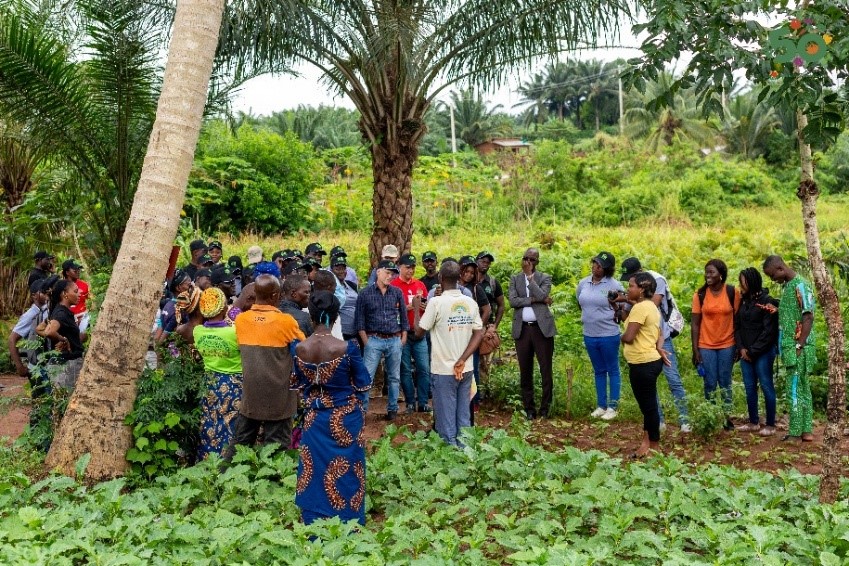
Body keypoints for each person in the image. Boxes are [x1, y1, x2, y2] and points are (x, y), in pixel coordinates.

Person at [290, 291, 372, 525]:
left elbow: (296, 383)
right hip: (345, 419)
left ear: (311, 316)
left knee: (313, 470)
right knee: (347, 470)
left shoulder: (299, 348)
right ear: (336, 317)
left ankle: (314, 521)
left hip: (315, 419)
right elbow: (363, 383)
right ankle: (348, 523)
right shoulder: (347, 348)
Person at [229, 274, 306, 455]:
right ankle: (272, 481)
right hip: (279, 395)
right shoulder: (286, 322)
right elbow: (304, 349)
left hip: (251, 394)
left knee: (240, 443)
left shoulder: (241, 320)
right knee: (276, 449)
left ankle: (225, 478)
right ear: (274, 296)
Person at [412, 261, 483, 446]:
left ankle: (450, 459)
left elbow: (419, 333)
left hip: (443, 371)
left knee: (445, 421)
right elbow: (479, 333)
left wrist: (417, 308)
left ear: (440, 279)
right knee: (463, 417)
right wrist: (463, 359)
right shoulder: (470, 303)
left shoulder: (436, 303)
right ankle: (466, 456)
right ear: (460, 278)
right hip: (465, 370)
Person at [619, 257, 691, 432]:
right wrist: (618, 305)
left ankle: (685, 420)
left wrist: (628, 300)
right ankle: (658, 421)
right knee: (651, 385)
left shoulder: (656, 280)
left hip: (661, 336)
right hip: (644, 340)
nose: (630, 284)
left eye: (632, 281)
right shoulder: (634, 292)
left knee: (673, 379)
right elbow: (627, 318)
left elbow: (651, 304)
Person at [763, 255, 816, 442]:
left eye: (772, 275)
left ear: (780, 268)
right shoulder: (788, 287)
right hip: (793, 345)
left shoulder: (800, 285)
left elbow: (808, 316)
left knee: (794, 389)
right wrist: (778, 311)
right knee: (803, 388)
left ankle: (794, 433)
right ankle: (806, 431)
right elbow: (794, 314)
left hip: (797, 347)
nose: (772, 280)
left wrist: (800, 343)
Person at [621, 272, 669, 459]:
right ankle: (646, 443)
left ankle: (654, 447)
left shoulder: (641, 308)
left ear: (641, 289)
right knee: (647, 407)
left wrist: (621, 337)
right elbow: (659, 333)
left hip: (643, 363)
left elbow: (629, 336)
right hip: (646, 361)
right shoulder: (650, 306)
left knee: (648, 407)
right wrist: (658, 346)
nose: (628, 288)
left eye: (632, 285)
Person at [193, 287, 243, 459]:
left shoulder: (198, 332)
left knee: (209, 423)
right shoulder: (234, 332)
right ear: (223, 308)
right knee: (231, 424)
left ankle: (207, 460)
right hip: (233, 385)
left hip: (210, 383)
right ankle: (229, 462)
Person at [691, 258, 740, 430]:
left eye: (711, 272)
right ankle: (711, 417)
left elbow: (738, 320)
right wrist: (695, 349)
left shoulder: (733, 292)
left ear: (721, 274)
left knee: (725, 381)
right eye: (706, 272)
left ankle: (727, 418)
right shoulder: (700, 295)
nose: (707, 275)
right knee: (710, 383)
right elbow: (695, 323)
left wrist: (739, 346)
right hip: (706, 344)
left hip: (728, 343)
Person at [355, 259, 407, 418]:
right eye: (387, 272)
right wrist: (367, 342)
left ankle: (392, 410)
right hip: (374, 339)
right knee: (367, 377)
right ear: (378, 272)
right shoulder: (365, 293)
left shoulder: (397, 292)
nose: (390, 276)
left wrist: (402, 339)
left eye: (392, 274)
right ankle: (362, 411)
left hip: (393, 339)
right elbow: (359, 321)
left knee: (394, 377)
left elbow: (403, 317)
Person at [508, 248, 556, 419]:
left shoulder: (544, 277)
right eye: (525, 258)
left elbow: (543, 294)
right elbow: (513, 301)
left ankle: (545, 409)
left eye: (532, 259)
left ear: (537, 262)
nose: (528, 262)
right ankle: (529, 409)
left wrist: (530, 278)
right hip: (522, 329)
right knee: (525, 370)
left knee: (545, 369)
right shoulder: (514, 278)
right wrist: (535, 300)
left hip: (541, 329)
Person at [576, 252, 623, 420]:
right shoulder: (583, 283)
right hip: (589, 333)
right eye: (594, 263)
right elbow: (580, 302)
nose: (595, 267)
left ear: (607, 269)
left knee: (612, 369)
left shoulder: (613, 285)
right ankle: (601, 405)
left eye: (600, 265)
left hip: (608, 334)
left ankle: (613, 406)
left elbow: (624, 305)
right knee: (599, 370)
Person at [734, 267, 779, 436]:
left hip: (763, 352)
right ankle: (753, 422)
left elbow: (769, 332)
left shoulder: (767, 301)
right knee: (749, 387)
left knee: (766, 386)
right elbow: (737, 326)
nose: (740, 285)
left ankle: (770, 424)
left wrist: (752, 351)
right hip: (745, 352)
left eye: (743, 282)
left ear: (751, 282)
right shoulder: (744, 301)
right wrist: (741, 349)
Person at [391, 253, 431, 413]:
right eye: (408, 267)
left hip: (419, 332)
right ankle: (409, 402)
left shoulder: (420, 285)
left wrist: (423, 307)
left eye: (413, 267)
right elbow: (389, 308)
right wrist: (406, 308)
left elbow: (428, 306)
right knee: (405, 369)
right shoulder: (393, 285)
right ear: (400, 267)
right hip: (403, 333)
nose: (411, 270)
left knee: (423, 368)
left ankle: (422, 402)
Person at [38, 279, 84, 390]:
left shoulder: (60, 311)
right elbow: (49, 331)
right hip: (66, 366)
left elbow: (39, 329)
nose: (79, 293)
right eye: (76, 291)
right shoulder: (61, 313)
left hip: (65, 364)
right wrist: (62, 339)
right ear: (65, 294)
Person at [8, 279, 50, 379]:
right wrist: (20, 367)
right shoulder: (30, 315)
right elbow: (12, 339)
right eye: (43, 292)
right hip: (37, 367)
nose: (47, 294)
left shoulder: (46, 310)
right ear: (34, 296)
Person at [62, 259, 91, 338]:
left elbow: (89, 302)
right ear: (67, 272)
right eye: (75, 270)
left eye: (79, 269)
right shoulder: (60, 286)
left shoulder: (84, 285)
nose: (78, 271)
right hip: (67, 318)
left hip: (83, 317)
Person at [332, 256, 359, 341]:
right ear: (331, 270)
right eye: (338, 269)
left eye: (343, 268)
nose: (341, 271)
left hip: (357, 332)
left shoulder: (351, 285)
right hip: (341, 332)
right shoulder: (330, 287)